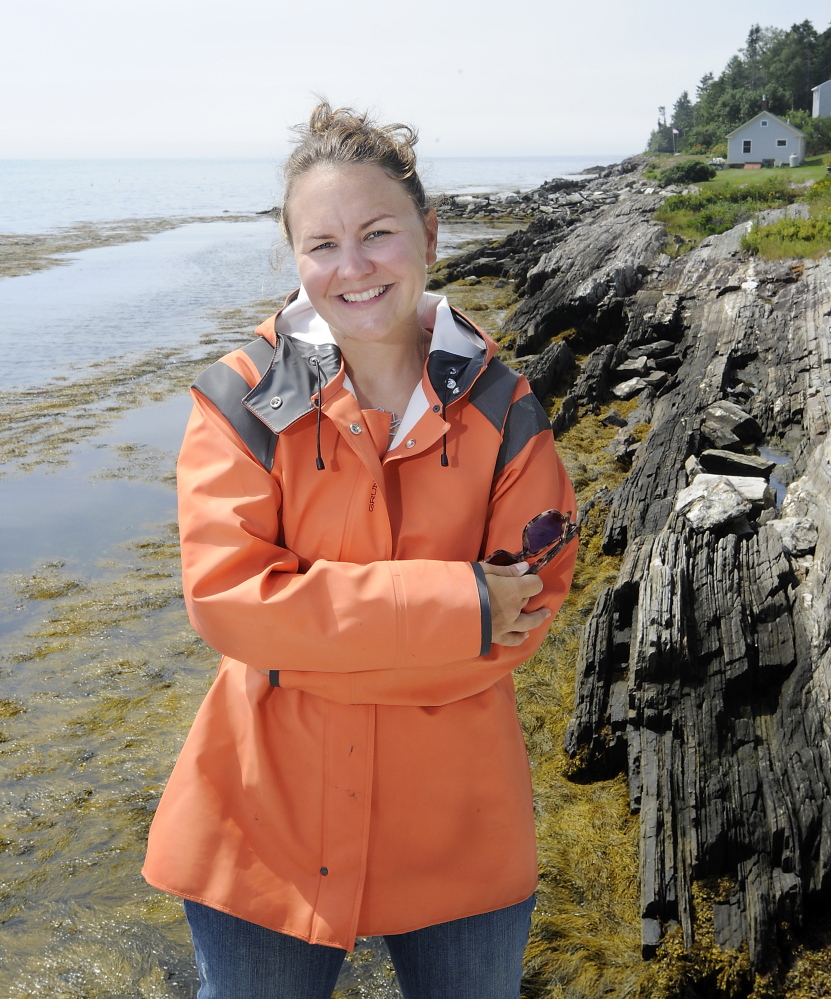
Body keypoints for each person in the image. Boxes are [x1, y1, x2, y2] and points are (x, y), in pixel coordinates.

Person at [142, 100, 578, 999]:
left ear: (426, 230)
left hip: (457, 827)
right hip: (265, 826)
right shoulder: (242, 398)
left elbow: (526, 617)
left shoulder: (504, 406)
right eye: (322, 245)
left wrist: (304, 648)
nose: (352, 268)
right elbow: (228, 604)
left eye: (376, 233)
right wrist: (459, 605)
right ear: (292, 254)